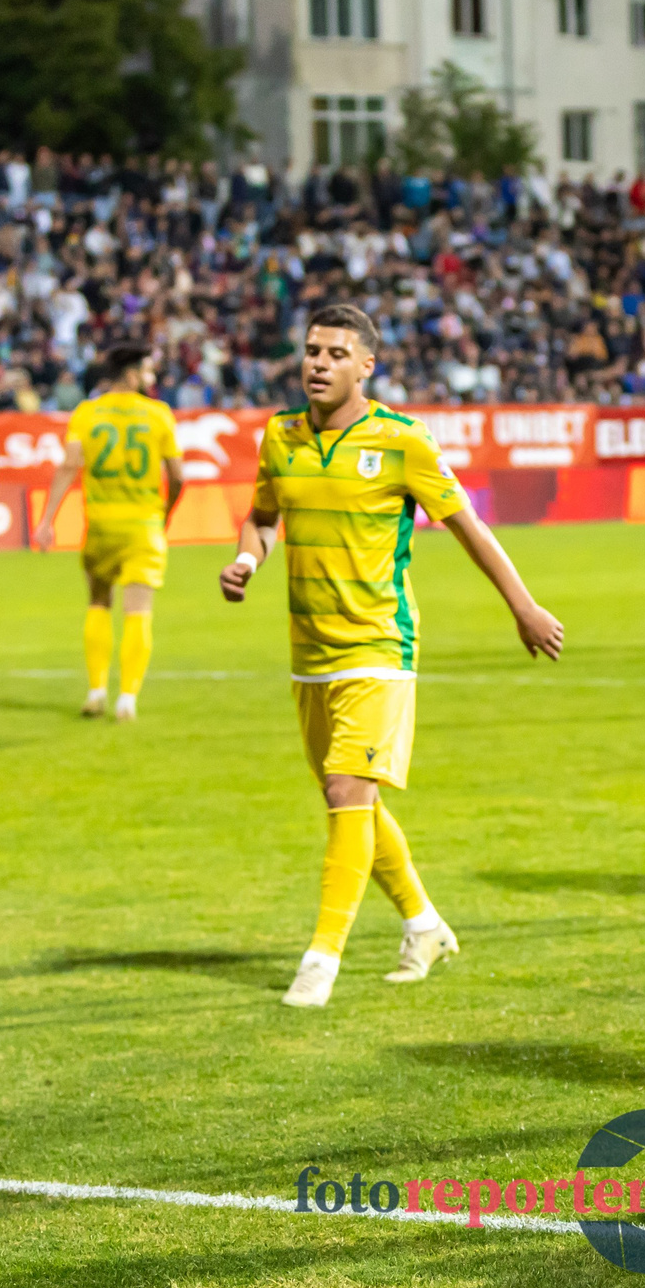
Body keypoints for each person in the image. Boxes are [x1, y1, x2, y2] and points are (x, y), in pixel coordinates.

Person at [220, 304, 564, 1008]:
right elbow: (261, 518)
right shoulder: (280, 437)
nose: (318, 362)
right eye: (312, 349)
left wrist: (523, 605)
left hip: (379, 648)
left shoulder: (403, 440)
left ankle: (320, 960)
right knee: (354, 803)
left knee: (349, 791)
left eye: (336, 353)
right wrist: (246, 562)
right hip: (308, 652)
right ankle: (424, 923)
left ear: (366, 366)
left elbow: (468, 526)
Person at [33, 343, 185, 721]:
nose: (151, 379)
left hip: (99, 525)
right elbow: (179, 476)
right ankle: (127, 699)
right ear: (131, 374)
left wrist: (47, 519)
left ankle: (96, 689)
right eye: (147, 372)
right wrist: (165, 514)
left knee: (98, 602)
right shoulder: (158, 414)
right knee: (139, 611)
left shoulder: (86, 413)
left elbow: (69, 464)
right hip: (143, 526)